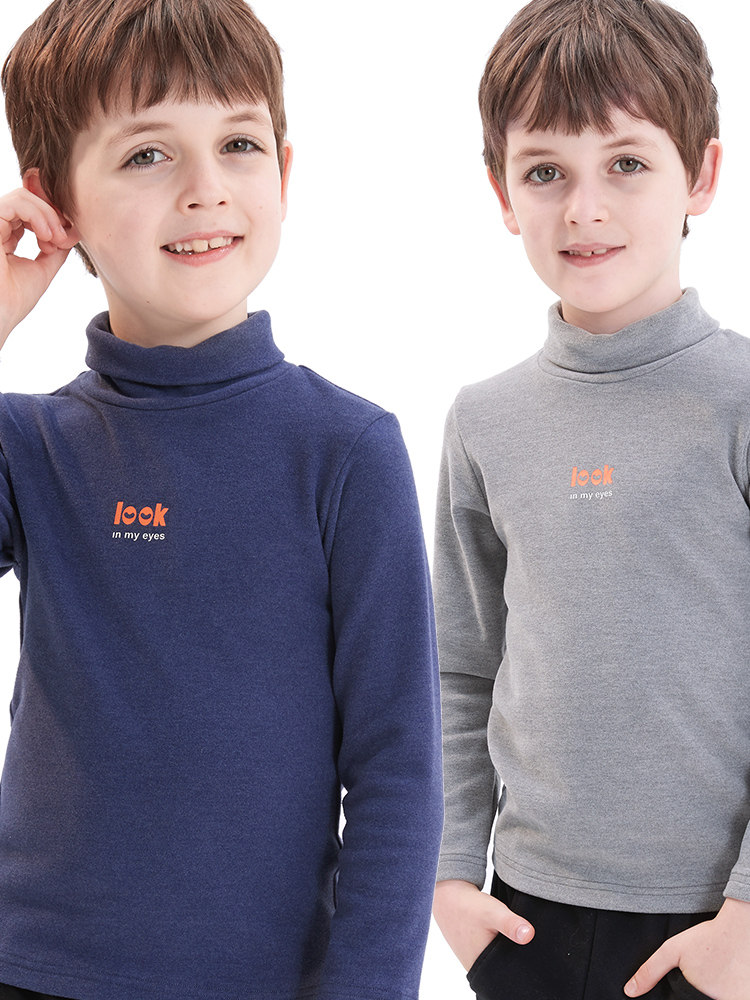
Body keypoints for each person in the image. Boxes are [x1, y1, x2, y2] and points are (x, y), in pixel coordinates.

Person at [0, 2, 443, 998]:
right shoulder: (30, 447)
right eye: (148, 154)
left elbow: (398, 771)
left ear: (284, 170)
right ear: (54, 203)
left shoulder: (347, 450)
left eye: (238, 144)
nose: (206, 189)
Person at [431, 1, 750, 998]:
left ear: (701, 174)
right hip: (525, 918)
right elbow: (460, 667)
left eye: (626, 163)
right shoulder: (484, 420)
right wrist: (449, 877)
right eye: (545, 172)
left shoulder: (741, 403)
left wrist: (746, 919)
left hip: (717, 925)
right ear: (502, 190)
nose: (584, 208)